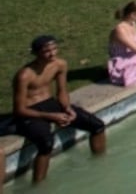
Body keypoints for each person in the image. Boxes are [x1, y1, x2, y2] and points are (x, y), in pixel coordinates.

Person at [12, 35, 107, 185]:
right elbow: (19, 110)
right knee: (46, 144)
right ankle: (38, 186)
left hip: (50, 104)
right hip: (30, 112)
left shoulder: (60, 64)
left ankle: (100, 165)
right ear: (36, 53)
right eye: (46, 51)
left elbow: (62, 91)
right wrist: (51, 116)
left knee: (97, 125)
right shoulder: (24, 75)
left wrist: (67, 108)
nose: (52, 54)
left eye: (54, 49)